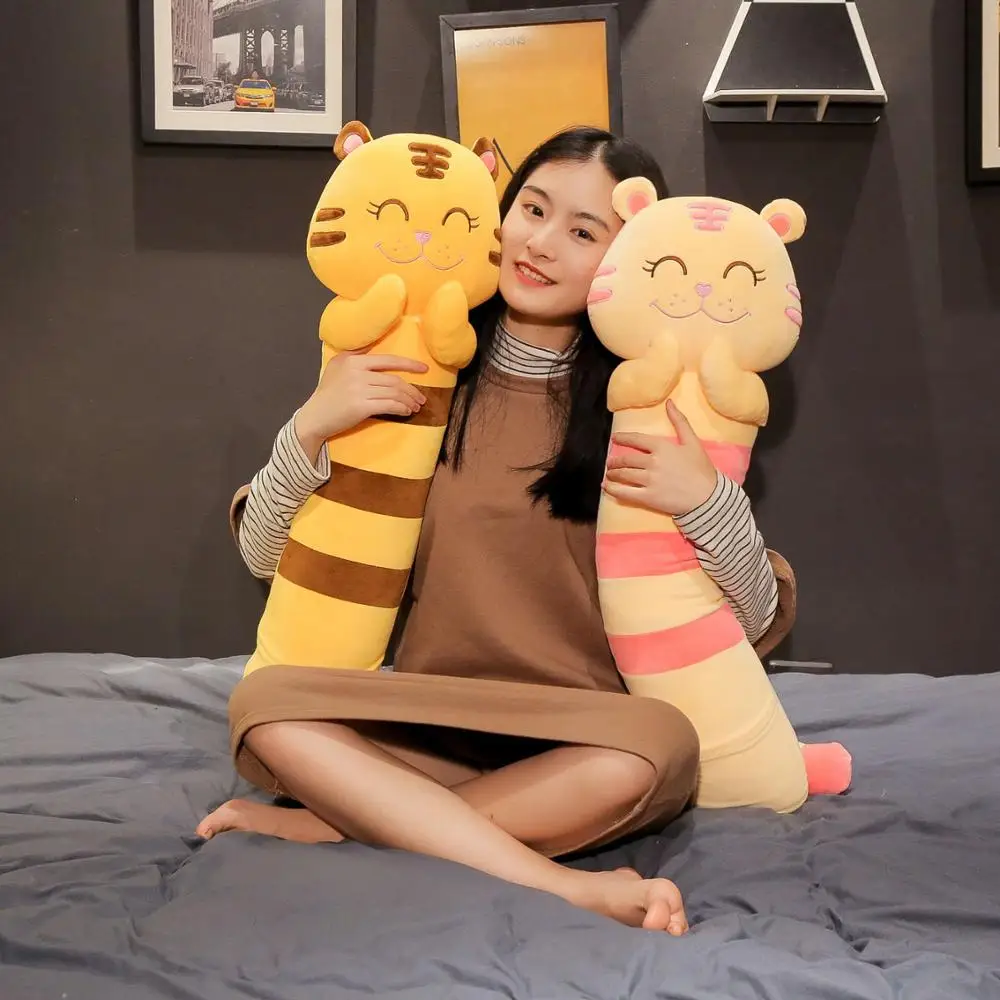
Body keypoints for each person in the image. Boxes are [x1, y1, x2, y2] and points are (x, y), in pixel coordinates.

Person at [197, 127, 795, 935]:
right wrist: (308, 429)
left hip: (577, 734)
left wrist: (708, 501)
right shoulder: (413, 367)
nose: (540, 244)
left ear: (627, 259)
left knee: (663, 746)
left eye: (583, 232)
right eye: (531, 210)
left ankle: (347, 822)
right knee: (264, 705)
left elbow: (751, 621)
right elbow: (264, 554)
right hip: (423, 719)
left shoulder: (652, 404)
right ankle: (552, 878)